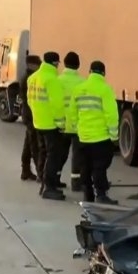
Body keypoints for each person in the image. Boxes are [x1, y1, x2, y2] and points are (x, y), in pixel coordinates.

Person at [68, 60, 119, 204]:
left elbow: (72, 113)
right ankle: (101, 195)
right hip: (100, 138)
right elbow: (112, 115)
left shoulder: (78, 89)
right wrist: (114, 135)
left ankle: (87, 195)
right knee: (99, 167)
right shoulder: (105, 89)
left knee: (85, 167)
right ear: (103, 73)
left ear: (90, 72)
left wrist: (78, 128)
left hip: (83, 137)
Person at [27, 51, 67, 201]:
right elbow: (57, 105)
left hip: (38, 122)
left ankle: (43, 183)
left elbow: (30, 101)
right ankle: (49, 187)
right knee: (53, 156)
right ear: (55, 63)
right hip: (51, 125)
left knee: (43, 152)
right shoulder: (52, 80)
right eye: (58, 63)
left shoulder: (33, 78)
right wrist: (61, 124)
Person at [57, 51, 85, 192]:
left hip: (61, 124)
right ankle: (76, 183)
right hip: (77, 125)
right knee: (77, 155)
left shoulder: (58, 80)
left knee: (59, 154)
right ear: (78, 65)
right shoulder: (82, 82)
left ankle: (56, 179)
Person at [19, 54, 42, 181]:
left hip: (29, 114)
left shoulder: (28, 77)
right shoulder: (29, 79)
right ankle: (39, 173)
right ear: (31, 65)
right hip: (30, 114)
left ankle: (25, 171)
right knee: (34, 145)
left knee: (28, 144)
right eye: (37, 64)